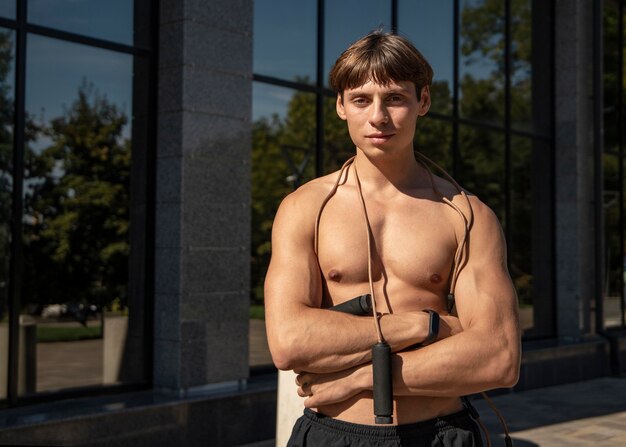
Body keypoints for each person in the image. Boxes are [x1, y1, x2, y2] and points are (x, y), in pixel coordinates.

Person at [264, 30, 521, 447]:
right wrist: (425, 324)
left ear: (423, 101)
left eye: (395, 98)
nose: (378, 117)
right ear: (341, 106)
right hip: (333, 435)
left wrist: (363, 378)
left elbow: (499, 357)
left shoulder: (466, 214)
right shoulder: (305, 208)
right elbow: (290, 342)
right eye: (362, 99)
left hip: (442, 434)